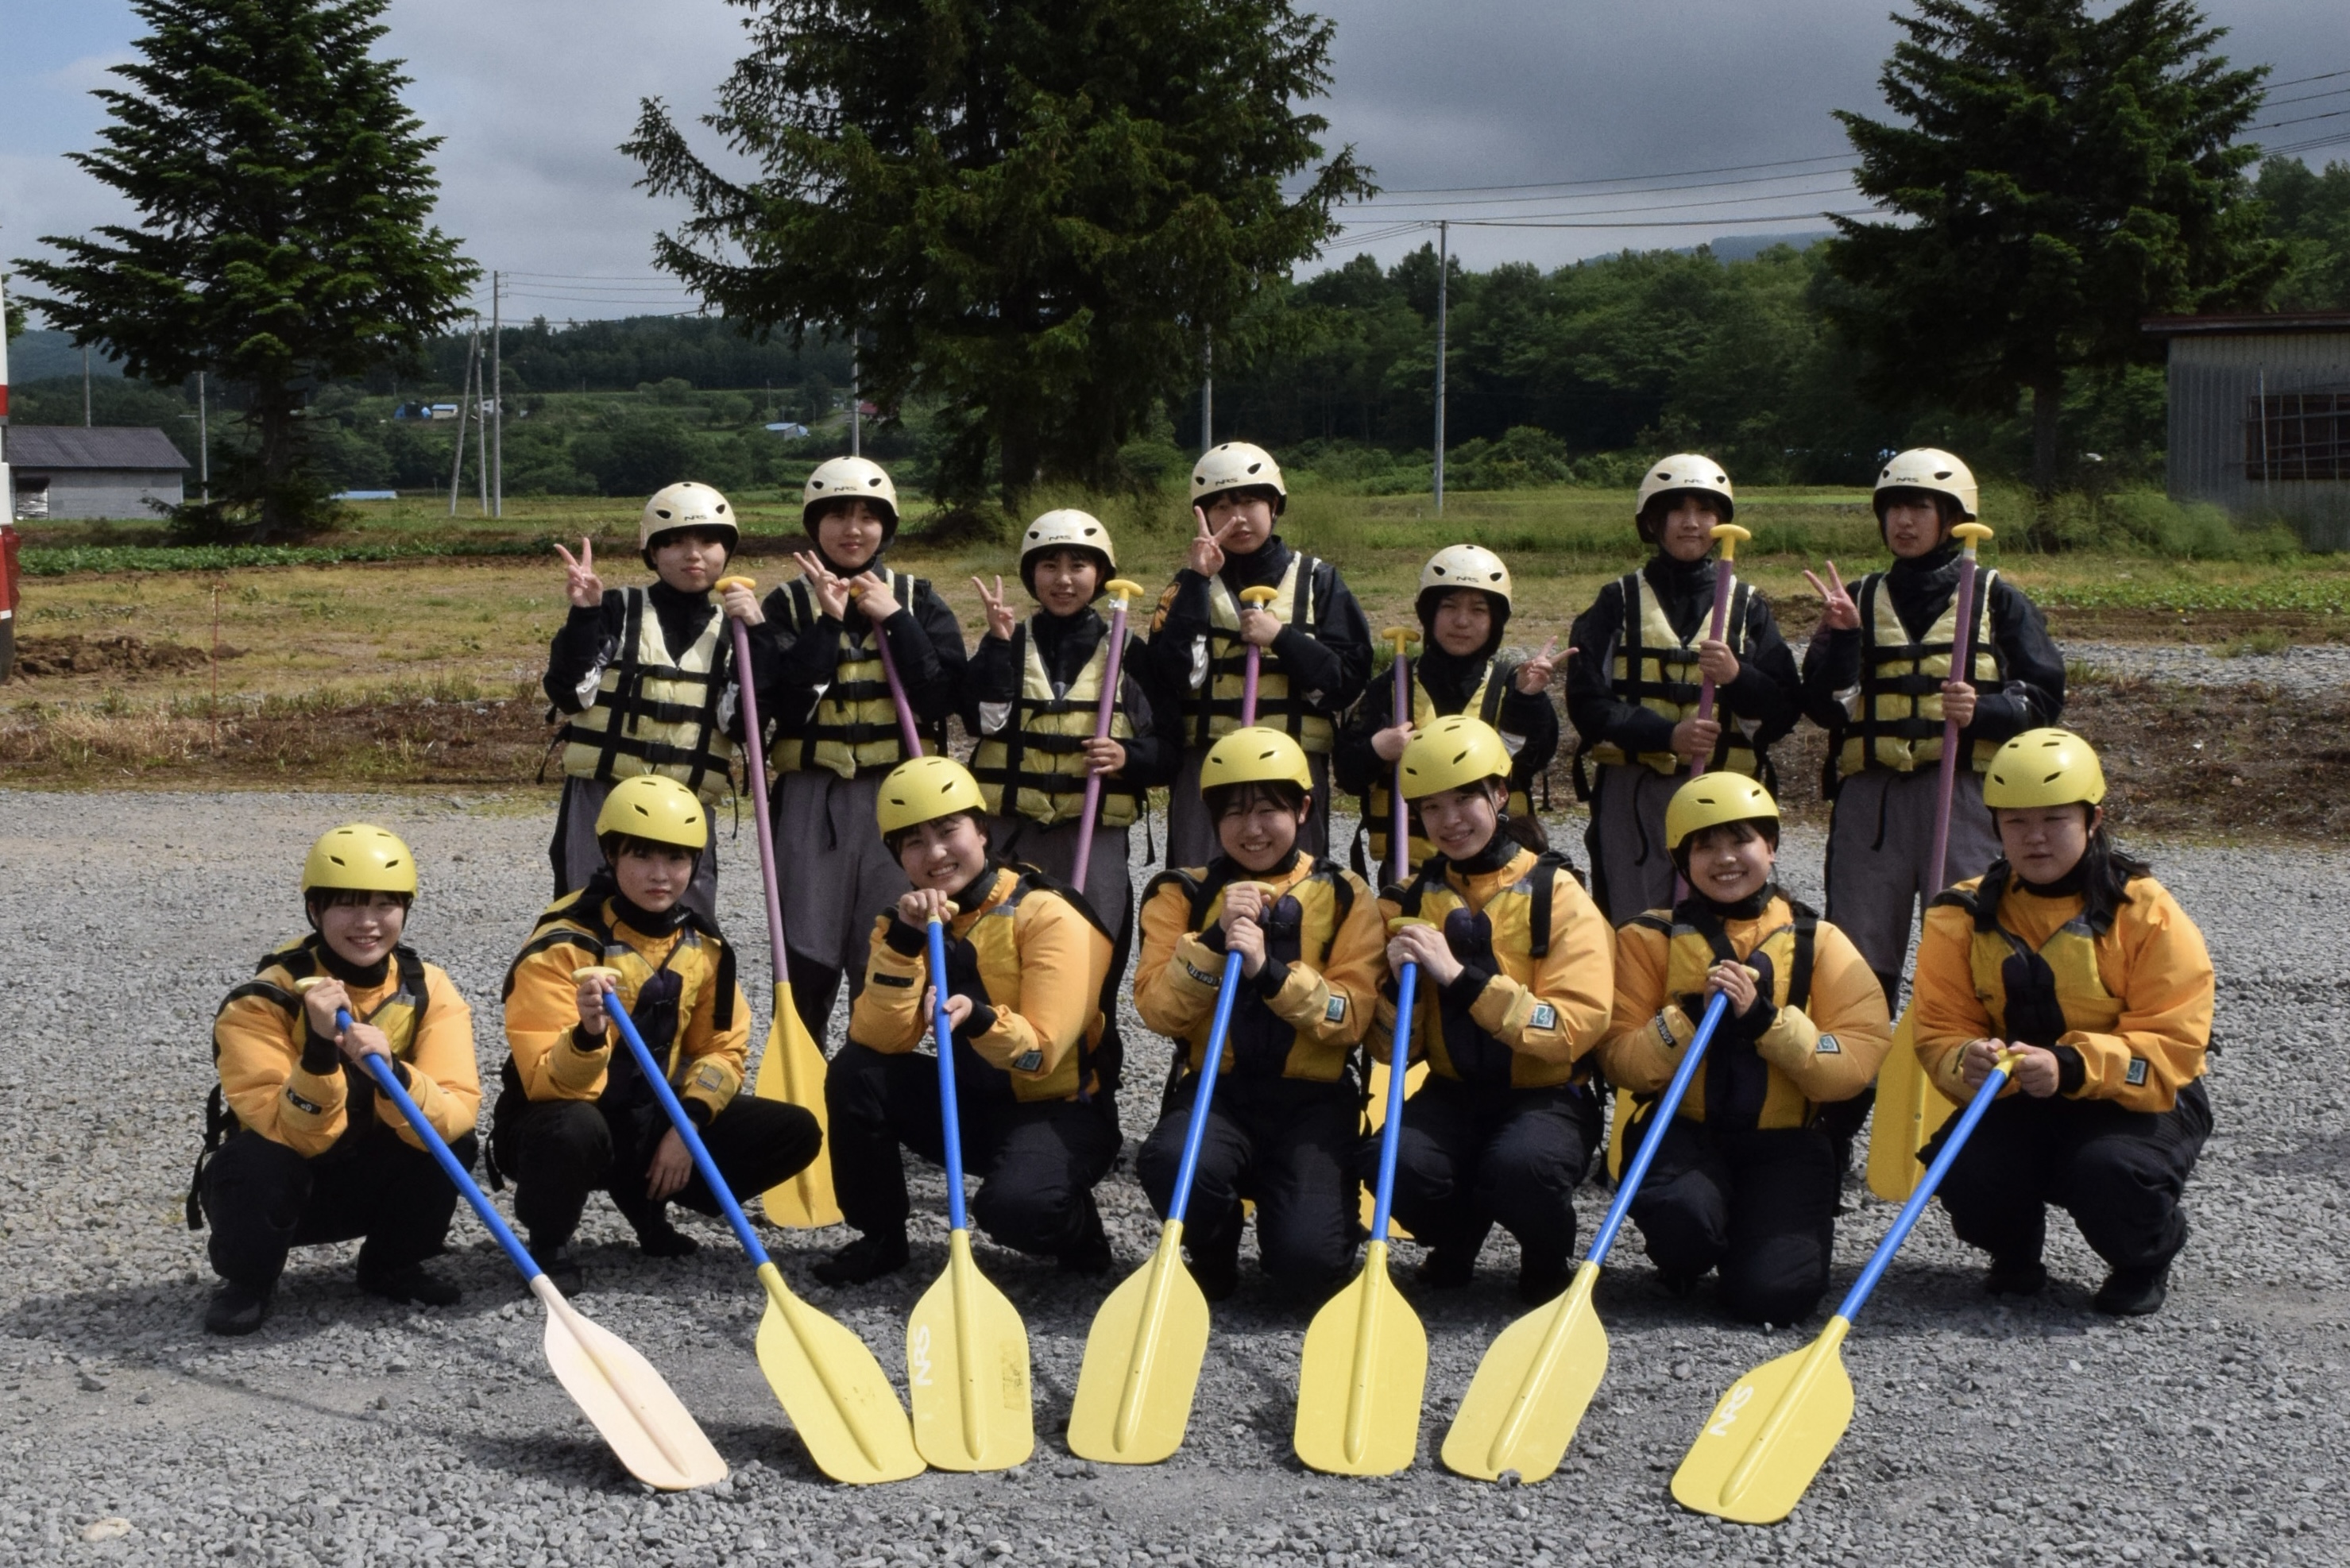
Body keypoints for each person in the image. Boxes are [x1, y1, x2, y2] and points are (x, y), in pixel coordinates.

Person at [1910, 729, 2213, 1316]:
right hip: (2021, 1092)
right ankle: (2013, 1248)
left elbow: (2175, 1046)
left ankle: (2144, 1255)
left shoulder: (2147, 912)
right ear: (1996, 826)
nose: (2036, 837)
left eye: (2054, 819)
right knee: (1964, 1163)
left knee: (2108, 1171)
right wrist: (1965, 1060)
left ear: (2093, 819)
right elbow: (1940, 1030)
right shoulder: (1960, 914)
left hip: (2137, 1095)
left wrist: (2071, 1066)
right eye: (2017, 822)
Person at [493, 775, 821, 1289]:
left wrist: (687, 1127)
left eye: (676, 858)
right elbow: (544, 1083)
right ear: (611, 855)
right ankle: (548, 1242)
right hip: (557, 1117)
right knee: (574, 1129)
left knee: (795, 1130)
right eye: (642, 856)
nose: (660, 875)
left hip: (648, 1115)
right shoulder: (561, 945)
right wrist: (587, 1034)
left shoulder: (704, 947)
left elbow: (723, 1050)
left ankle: (645, 1200)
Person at [817, 755, 1122, 1285]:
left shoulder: (1047, 912)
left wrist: (981, 1021)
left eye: (947, 831)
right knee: (855, 1073)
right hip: (974, 1105)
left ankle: (1077, 1228)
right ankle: (880, 1237)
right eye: (913, 842)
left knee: (1014, 1211)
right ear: (898, 856)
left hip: (1061, 1112)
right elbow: (878, 1039)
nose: (935, 853)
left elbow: (1042, 1053)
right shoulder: (902, 923)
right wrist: (904, 945)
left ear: (981, 831)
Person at [1598, 775, 1892, 1323]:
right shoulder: (1646, 940)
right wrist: (1686, 1015)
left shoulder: (1820, 942)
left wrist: (1766, 1022)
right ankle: (1693, 1244)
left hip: (1786, 1143)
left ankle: (1754, 1233)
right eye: (1705, 846)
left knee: (1776, 1298)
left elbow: (1854, 1064)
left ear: (1772, 847)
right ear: (1682, 861)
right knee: (1683, 1225)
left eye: (1741, 840)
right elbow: (1621, 1060)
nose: (1725, 858)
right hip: (1683, 1132)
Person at [1799, 449, 2067, 1006]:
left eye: (1919, 508)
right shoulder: (1857, 599)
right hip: (1872, 800)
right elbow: (1825, 707)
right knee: (1857, 949)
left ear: (1952, 518)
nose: (1903, 522)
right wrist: (1844, 639)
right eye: (1893, 509)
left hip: (1964, 793)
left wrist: (1985, 711)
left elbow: (2045, 696)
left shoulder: (1997, 598)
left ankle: (1962, 1045)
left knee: (1972, 936)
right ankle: (1857, 1052)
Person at [192, 825, 480, 1335]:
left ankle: (391, 1264)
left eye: (385, 905)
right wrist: (321, 1053)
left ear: (405, 910)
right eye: (346, 905)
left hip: (374, 1175)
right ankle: (249, 1280)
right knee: (253, 1160)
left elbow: (457, 1107)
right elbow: (293, 1135)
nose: (367, 923)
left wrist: (395, 1074)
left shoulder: (430, 988)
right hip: (294, 1186)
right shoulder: (259, 1002)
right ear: (315, 910)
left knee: (452, 1140)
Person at [1131, 727, 1386, 1300]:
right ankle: (1214, 1242)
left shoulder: (1345, 894)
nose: (1251, 830)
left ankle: (1304, 1211)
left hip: (1314, 1100)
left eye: (1268, 810)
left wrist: (1271, 973)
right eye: (1234, 813)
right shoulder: (1180, 893)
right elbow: (1159, 1012)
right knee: (1169, 1161)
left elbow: (1350, 1018)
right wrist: (1212, 942)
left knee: (1307, 1270)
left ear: (1303, 810)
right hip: (1218, 1091)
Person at [1371, 716, 1614, 1303]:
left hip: (1548, 1094)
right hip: (1453, 1092)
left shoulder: (1559, 893)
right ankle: (1457, 1239)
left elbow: (1573, 1030)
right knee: (1389, 1163)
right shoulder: (1409, 900)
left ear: (1500, 795)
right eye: (1431, 807)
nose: (1449, 820)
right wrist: (1396, 990)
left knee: (1521, 1167)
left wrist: (1459, 979)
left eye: (1464, 800)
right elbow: (1387, 1050)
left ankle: (1545, 1256)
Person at [751, 457, 970, 1041]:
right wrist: (827, 623)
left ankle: (872, 1073)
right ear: (814, 525)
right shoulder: (786, 604)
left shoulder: (918, 599)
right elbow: (782, 705)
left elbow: (942, 697)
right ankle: (803, 1070)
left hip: (900, 803)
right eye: (838, 516)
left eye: (868, 517)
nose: (853, 530)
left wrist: (897, 620)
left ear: (886, 528)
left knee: (888, 942)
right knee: (806, 947)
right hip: (813, 798)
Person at [1566, 454, 1800, 925]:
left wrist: (1738, 676)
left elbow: (1783, 710)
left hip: (1723, 794)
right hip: (1635, 792)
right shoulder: (1615, 602)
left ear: (1721, 521)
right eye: (1677, 510)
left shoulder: (1748, 606)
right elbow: (1586, 704)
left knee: (1723, 925)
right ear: (1653, 522)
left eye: (1705, 510)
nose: (1691, 523)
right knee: (1636, 924)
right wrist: (1667, 735)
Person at [545, 482, 768, 925]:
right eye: (676, 542)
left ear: (726, 551)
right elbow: (569, 692)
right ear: (652, 551)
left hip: (685, 806)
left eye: (708, 542)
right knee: (586, 918)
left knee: (686, 927)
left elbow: (743, 725)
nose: (693, 555)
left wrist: (759, 637)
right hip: (605, 795)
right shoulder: (614, 609)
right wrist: (585, 615)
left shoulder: (738, 631)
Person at [1146, 442, 1371, 867]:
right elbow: (1171, 675)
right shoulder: (1187, 586)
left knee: (1297, 889)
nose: (1237, 517)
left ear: (1274, 505)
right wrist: (1198, 580)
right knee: (1199, 886)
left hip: (1292, 763)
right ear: (1203, 515)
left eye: (1250, 502)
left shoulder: (1319, 580)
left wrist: (1281, 638)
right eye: (1222, 506)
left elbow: (1345, 682)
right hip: (1209, 762)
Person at [964, 508, 1181, 940]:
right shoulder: (1009, 642)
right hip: (1013, 832)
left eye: (1078, 566)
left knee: (1094, 943)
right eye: (1049, 566)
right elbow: (981, 722)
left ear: (1100, 575)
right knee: (1004, 947)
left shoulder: (1128, 652)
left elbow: (1169, 749)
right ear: (1032, 575)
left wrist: (1128, 756)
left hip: (1092, 830)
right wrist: (996, 646)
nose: (1063, 580)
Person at [1333, 543, 1561, 882]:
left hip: (1498, 873)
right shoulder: (1392, 689)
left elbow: (1532, 760)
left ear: (1495, 621)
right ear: (1429, 614)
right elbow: (1347, 774)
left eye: (1478, 610)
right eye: (1449, 607)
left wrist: (1529, 699)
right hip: (1410, 873)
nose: (1462, 621)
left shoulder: (1513, 687)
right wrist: (1377, 749)